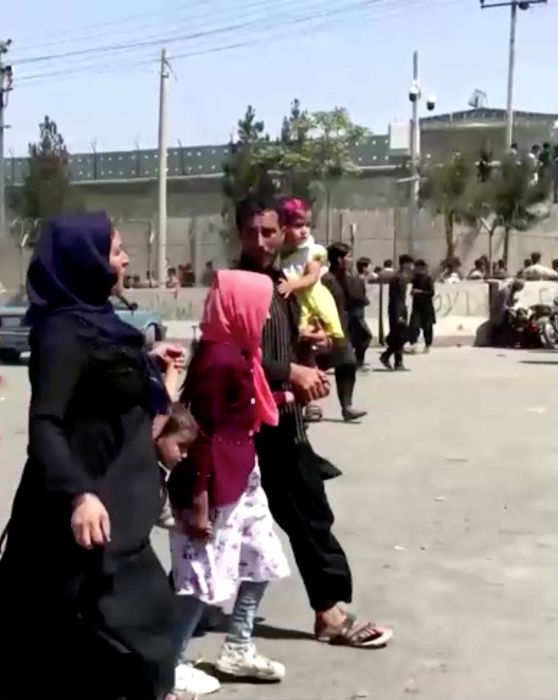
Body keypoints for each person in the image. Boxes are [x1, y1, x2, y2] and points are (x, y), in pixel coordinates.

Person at [0, 212, 186, 700]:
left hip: (113, 489)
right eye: (115, 250)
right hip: (84, 495)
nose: (124, 259)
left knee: (34, 601)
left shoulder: (102, 322)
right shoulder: (62, 333)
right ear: (87, 260)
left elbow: (106, 382)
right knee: (130, 610)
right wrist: (79, 496)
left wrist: (147, 368)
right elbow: (46, 422)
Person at [233, 195, 393, 654]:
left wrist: (305, 348)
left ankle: (327, 608)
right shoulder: (239, 284)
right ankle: (329, 612)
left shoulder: (280, 280)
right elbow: (231, 357)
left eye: (269, 232)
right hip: (257, 424)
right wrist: (290, 373)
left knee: (284, 515)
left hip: (285, 417)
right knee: (298, 513)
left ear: (284, 232)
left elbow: (273, 346)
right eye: (251, 232)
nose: (261, 241)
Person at [168, 270, 291, 695]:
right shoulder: (219, 361)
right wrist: (199, 500)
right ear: (239, 308)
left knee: (261, 558)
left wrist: (282, 398)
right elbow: (204, 434)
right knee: (199, 577)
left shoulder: (236, 353)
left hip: (242, 475)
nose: (266, 319)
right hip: (216, 482)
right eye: (262, 310)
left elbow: (239, 412)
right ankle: (171, 663)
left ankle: (238, 644)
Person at [275, 198, 345, 347]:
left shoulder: (312, 250)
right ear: (284, 227)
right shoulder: (284, 252)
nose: (304, 230)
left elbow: (312, 277)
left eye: (307, 225)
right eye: (298, 225)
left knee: (305, 331)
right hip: (296, 297)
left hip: (310, 298)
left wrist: (292, 285)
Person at [319, 243, 367, 421]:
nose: (350, 260)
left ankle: (347, 406)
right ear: (339, 259)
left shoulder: (346, 278)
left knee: (347, 364)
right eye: (348, 256)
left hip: (342, 331)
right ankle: (306, 407)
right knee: (315, 367)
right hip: (327, 330)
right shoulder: (327, 279)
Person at [380, 255, 414, 371]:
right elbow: (396, 298)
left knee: (400, 336)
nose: (411, 267)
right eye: (410, 264)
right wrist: (399, 314)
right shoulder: (398, 278)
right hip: (397, 310)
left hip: (400, 309)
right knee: (399, 336)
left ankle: (389, 357)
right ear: (405, 264)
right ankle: (396, 361)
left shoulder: (402, 277)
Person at [347, 257, 373, 367]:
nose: (371, 268)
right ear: (364, 268)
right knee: (366, 336)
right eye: (369, 266)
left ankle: (357, 360)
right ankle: (356, 359)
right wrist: (365, 301)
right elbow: (357, 296)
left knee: (357, 338)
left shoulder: (359, 279)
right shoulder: (358, 280)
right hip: (356, 314)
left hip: (356, 313)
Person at [408, 258, 436, 353]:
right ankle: (414, 344)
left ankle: (427, 345)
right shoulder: (415, 279)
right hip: (416, 307)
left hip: (426, 307)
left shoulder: (428, 278)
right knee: (413, 326)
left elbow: (431, 293)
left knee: (427, 327)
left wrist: (419, 292)